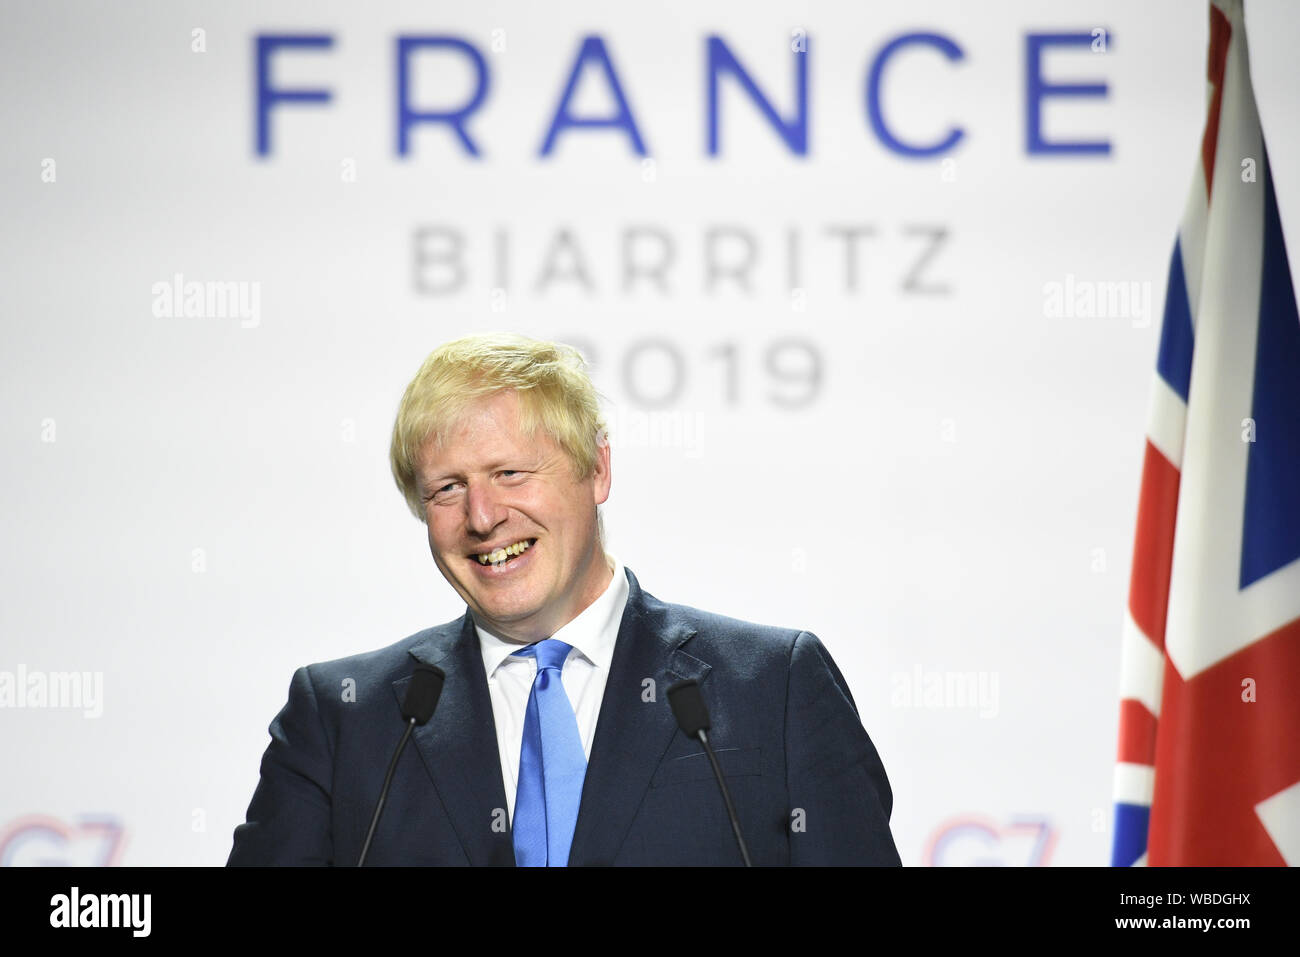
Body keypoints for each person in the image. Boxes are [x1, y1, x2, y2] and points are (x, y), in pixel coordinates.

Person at [227, 333, 901, 866]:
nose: (484, 515)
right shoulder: (344, 718)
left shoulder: (772, 687)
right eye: (447, 489)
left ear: (598, 468)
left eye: (510, 472)